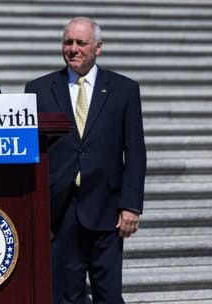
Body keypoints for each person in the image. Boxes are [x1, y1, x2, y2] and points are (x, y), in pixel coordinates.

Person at [24, 17, 146, 303]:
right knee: (65, 294)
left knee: (108, 294)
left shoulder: (124, 89)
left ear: (98, 47)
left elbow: (136, 151)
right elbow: (32, 152)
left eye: (81, 43)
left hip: (107, 208)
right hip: (60, 210)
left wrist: (131, 206)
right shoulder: (39, 88)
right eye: (68, 42)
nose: (73, 49)